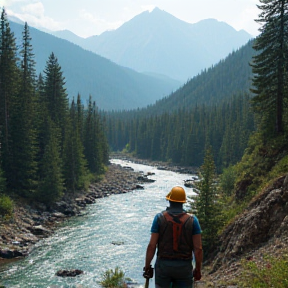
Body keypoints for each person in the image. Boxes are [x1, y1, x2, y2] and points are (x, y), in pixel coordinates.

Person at [143, 186, 203, 288]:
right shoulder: (193, 220)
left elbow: (152, 246)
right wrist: (198, 269)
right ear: (183, 202)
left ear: (169, 201)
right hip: (184, 268)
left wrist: (147, 266)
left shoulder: (159, 218)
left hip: (163, 267)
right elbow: (198, 249)